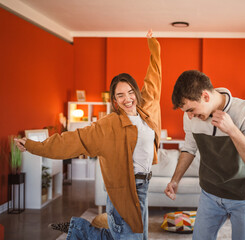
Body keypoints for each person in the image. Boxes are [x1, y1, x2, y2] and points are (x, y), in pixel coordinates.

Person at [15, 30, 161, 240]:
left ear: (136, 92)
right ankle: (80, 230)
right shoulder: (108, 126)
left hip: (144, 186)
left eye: (130, 92)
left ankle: (79, 229)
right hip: (124, 190)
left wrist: (153, 45)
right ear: (114, 101)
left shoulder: (145, 109)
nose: (127, 99)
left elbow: (154, 79)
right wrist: (32, 145)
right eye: (120, 95)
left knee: (131, 237)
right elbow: (72, 140)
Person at [164, 70, 245, 240]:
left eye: (191, 109)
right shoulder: (189, 116)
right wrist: (175, 180)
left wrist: (232, 130)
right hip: (210, 195)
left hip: (244, 197)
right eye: (186, 112)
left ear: (205, 96)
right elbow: (189, 148)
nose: (189, 116)